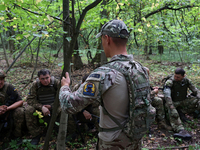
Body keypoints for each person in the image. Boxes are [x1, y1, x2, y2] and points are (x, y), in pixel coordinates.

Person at [59, 19, 154, 149]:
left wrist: (65, 86)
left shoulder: (103, 74)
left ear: (107, 38)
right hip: (134, 138)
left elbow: (69, 105)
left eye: (102, 40)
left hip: (113, 142)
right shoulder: (141, 69)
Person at [25, 69, 60, 145]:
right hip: (40, 107)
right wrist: (41, 107)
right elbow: (30, 99)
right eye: (42, 79)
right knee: (29, 110)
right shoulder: (36, 85)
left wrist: (51, 106)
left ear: (50, 76)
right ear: (39, 79)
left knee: (64, 109)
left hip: (55, 106)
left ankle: (62, 131)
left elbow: (63, 98)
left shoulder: (56, 83)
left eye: (47, 78)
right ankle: (36, 135)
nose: (45, 81)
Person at [163, 68, 200, 140]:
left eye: (178, 77)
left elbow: (195, 91)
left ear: (183, 76)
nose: (176, 78)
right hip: (173, 102)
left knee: (197, 100)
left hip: (183, 101)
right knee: (171, 109)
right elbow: (167, 94)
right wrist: (171, 106)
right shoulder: (170, 81)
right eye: (175, 76)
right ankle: (180, 130)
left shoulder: (186, 81)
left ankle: (193, 113)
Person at [0, 69, 24, 141]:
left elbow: (20, 101)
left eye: (1, 79)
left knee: (20, 111)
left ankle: (16, 136)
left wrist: (7, 108)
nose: (0, 82)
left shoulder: (9, 87)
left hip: (7, 113)